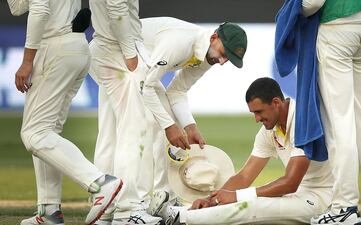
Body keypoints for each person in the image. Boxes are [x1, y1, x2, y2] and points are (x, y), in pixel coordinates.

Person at [91, 17, 248, 225]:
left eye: (228, 59)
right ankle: (133, 206)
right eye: (223, 53)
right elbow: (147, 87)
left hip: (121, 59)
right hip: (112, 55)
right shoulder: (180, 43)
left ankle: (108, 207)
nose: (222, 61)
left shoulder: (207, 54)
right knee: (141, 127)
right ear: (214, 37)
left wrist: (189, 126)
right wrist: (169, 126)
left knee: (114, 131)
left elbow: (177, 91)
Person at [149, 77, 334, 225]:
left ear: (276, 102)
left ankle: (178, 218)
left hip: (320, 199)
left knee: (250, 203)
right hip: (296, 195)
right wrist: (211, 199)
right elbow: (244, 177)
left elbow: (290, 183)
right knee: (243, 198)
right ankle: (180, 211)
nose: (256, 119)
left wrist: (235, 195)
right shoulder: (268, 131)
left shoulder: (303, 121)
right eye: (253, 113)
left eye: (259, 112)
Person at [6, 1, 123, 225]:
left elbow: (39, 9)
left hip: (54, 47)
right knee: (46, 131)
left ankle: (100, 182)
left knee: (34, 134)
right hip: (76, 46)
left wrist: (27, 61)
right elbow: (18, 7)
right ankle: (49, 211)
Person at [301, 1, 361, 224]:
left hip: (336, 28)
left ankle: (343, 207)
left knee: (340, 122)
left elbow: (313, 2)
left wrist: (295, 11)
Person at [88, 1, 164, 225]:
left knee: (110, 133)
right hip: (120, 50)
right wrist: (130, 52)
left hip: (103, 45)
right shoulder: (125, 48)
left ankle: (104, 206)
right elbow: (116, 6)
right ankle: (127, 209)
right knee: (134, 129)